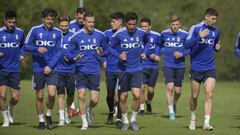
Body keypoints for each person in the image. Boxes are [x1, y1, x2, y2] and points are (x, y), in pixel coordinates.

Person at [108, 12, 148, 131]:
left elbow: (147, 42)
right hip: (123, 70)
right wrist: (119, 55)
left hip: (136, 69)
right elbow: (110, 48)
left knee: (137, 95)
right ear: (125, 23)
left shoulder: (141, 33)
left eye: (134, 24)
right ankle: (125, 121)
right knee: (123, 97)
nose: (131, 27)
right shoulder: (119, 34)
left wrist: (144, 52)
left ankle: (134, 120)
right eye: (129, 24)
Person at [24, 8, 62, 130]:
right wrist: (36, 48)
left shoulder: (58, 32)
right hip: (38, 67)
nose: (50, 21)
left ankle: (48, 114)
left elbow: (59, 52)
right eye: (47, 19)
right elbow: (25, 46)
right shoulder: (35, 30)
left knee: (51, 94)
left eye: (52, 19)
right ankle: (41, 120)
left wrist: (50, 66)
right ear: (43, 19)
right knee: (39, 96)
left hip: (52, 68)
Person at [69, 12, 107, 130]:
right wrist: (74, 58)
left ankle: (89, 109)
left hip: (95, 71)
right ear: (84, 22)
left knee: (94, 100)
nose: (91, 24)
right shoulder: (76, 36)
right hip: (80, 70)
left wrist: (103, 57)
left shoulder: (100, 35)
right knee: (81, 96)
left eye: (93, 22)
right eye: (89, 22)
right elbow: (68, 52)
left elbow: (105, 51)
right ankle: (84, 122)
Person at [185, 8, 221, 131]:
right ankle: (193, 118)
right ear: (206, 17)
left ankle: (206, 123)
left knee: (209, 94)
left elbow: (216, 45)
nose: (214, 21)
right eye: (212, 19)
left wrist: (217, 48)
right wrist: (198, 37)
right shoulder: (195, 28)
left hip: (210, 68)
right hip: (196, 68)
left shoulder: (216, 31)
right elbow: (186, 44)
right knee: (194, 96)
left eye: (216, 19)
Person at [155, 15, 189, 120]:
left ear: (180, 25)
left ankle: (174, 103)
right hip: (168, 64)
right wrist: (156, 54)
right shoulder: (164, 33)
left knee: (178, 91)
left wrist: (182, 54)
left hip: (180, 65)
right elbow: (159, 45)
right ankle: (171, 112)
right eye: (173, 24)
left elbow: (190, 48)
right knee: (170, 87)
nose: (175, 26)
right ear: (170, 25)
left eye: (177, 24)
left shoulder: (185, 34)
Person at [0, 10, 25, 127]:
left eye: (13, 22)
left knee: (15, 97)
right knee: (2, 95)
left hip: (15, 69)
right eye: (9, 22)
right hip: (1, 69)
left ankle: (10, 107)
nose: (11, 24)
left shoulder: (20, 32)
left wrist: (22, 55)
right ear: (5, 21)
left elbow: (23, 46)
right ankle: (5, 119)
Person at [104, 12, 124, 126]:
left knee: (121, 94)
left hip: (123, 68)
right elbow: (105, 50)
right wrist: (102, 57)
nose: (111, 23)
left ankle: (119, 118)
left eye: (113, 21)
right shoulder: (106, 34)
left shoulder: (127, 33)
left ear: (120, 22)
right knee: (110, 94)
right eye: (111, 21)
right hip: (110, 68)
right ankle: (111, 111)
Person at [55, 15, 75, 126]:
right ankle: (62, 118)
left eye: (66, 26)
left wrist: (71, 57)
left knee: (71, 94)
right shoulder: (55, 35)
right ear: (59, 25)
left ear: (69, 25)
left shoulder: (73, 36)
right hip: (58, 70)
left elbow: (77, 50)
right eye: (62, 26)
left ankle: (67, 110)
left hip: (71, 70)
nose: (63, 28)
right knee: (61, 94)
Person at [139, 17, 161, 115]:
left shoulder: (156, 36)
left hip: (153, 67)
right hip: (141, 66)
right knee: (141, 88)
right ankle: (142, 109)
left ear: (150, 26)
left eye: (145, 26)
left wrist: (157, 55)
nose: (143, 28)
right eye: (142, 26)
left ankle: (148, 102)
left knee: (151, 90)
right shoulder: (137, 36)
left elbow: (162, 46)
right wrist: (147, 55)